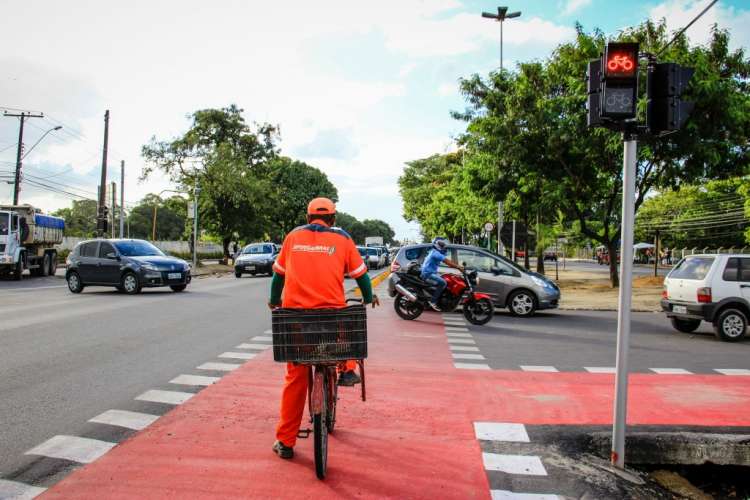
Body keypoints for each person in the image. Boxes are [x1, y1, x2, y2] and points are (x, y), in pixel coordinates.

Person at [268, 197, 378, 460]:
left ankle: (285, 442)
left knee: (295, 377)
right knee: (345, 333)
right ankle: (347, 368)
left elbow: (278, 276)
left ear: (308, 218)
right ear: (333, 218)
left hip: (295, 320)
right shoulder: (343, 238)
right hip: (331, 317)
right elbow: (361, 275)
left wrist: (274, 302)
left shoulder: (292, 237)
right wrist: (367, 297)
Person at [420, 237, 464, 311]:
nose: (444, 247)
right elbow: (447, 261)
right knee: (443, 283)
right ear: (437, 245)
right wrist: (458, 267)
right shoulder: (436, 253)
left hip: (430, 273)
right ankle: (433, 301)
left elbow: (447, 262)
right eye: (442, 245)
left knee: (446, 278)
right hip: (428, 274)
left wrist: (456, 266)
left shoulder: (434, 252)